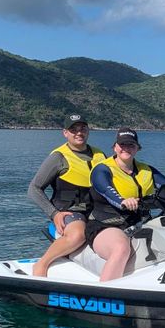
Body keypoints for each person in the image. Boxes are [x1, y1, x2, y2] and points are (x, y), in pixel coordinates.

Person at [87, 128, 165, 281]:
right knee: (121, 248)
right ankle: (106, 289)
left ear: (137, 148)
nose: (126, 148)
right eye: (122, 144)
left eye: (131, 145)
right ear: (115, 147)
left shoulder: (146, 170)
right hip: (105, 225)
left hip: (138, 224)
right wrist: (122, 201)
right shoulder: (102, 169)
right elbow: (105, 189)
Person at [27, 114, 107, 277]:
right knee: (78, 234)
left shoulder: (100, 155)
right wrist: (54, 214)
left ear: (88, 131)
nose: (79, 133)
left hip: (96, 211)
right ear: (65, 133)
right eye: (73, 130)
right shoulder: (58, 157)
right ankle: (42, 264)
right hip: (70, 211)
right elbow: (34, 189)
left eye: (82, 129)